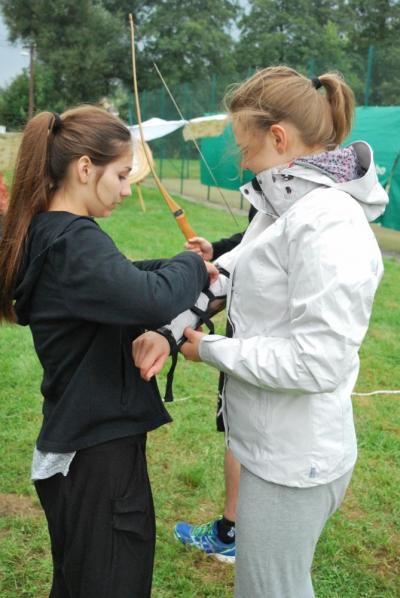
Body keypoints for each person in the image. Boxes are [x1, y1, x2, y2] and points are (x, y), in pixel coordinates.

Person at [133, 66, 388, 597]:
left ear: (278, 138)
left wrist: (211, 350)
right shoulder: (282, 205)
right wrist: (170, 326)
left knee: (270, 590)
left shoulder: (328, 222)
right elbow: (228, 274)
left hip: (295, 462)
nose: (242, 162)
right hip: (271, 450)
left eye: (245, 147)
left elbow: (319, 363)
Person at [0, 106, 217, 598]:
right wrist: (190, 264)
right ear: (83, 168)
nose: (125, 188)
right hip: (97, 459)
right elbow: (150, 296)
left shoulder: (49, 234)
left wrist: (183, 270)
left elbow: (130, 279)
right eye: (120, 175)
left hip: (82, 449)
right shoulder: (73, 242)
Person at [173, 206, 257, 564]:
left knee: (241, 428)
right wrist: (218, 250)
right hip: (251, 336)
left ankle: (231, 534)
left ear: (279, 144)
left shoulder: (298, 189)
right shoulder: (280, 185)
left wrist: (208, 347)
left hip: (255, 342)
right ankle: (243, 531)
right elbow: (255, 237)